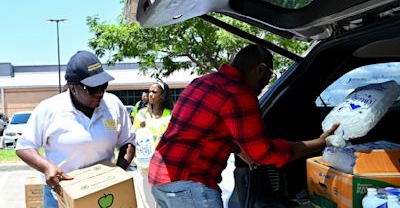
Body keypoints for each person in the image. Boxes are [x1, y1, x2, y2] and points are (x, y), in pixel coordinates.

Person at [148, 44, 339, 207]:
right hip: (189, 185)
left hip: (160, 180)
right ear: (261, 70)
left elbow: (200, 132)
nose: (264, 85)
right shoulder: (238, 93)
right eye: (268, 77)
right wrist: (320, 143)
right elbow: (264, 153)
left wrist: (239, 149)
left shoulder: (203, 81)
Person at [15, 50, 135, 208]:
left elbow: (128, 142)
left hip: (105, 191)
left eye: (103, 85)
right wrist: (46, 167)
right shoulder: (50, 109)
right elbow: (24, 147)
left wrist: (117, 175)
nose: (100, 92)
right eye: (92, 88)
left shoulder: (113, 105)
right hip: (61, 194)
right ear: (72, 88)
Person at [131, 80, 174, 208]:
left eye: (154, 92)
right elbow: (133, 136)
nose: (150, 94)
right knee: (146, 200)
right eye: (149, 91)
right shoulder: (141, 114)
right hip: (144, 165)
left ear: (163, 95)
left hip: (164, 165)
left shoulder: (170, 115)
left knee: (163, 201)